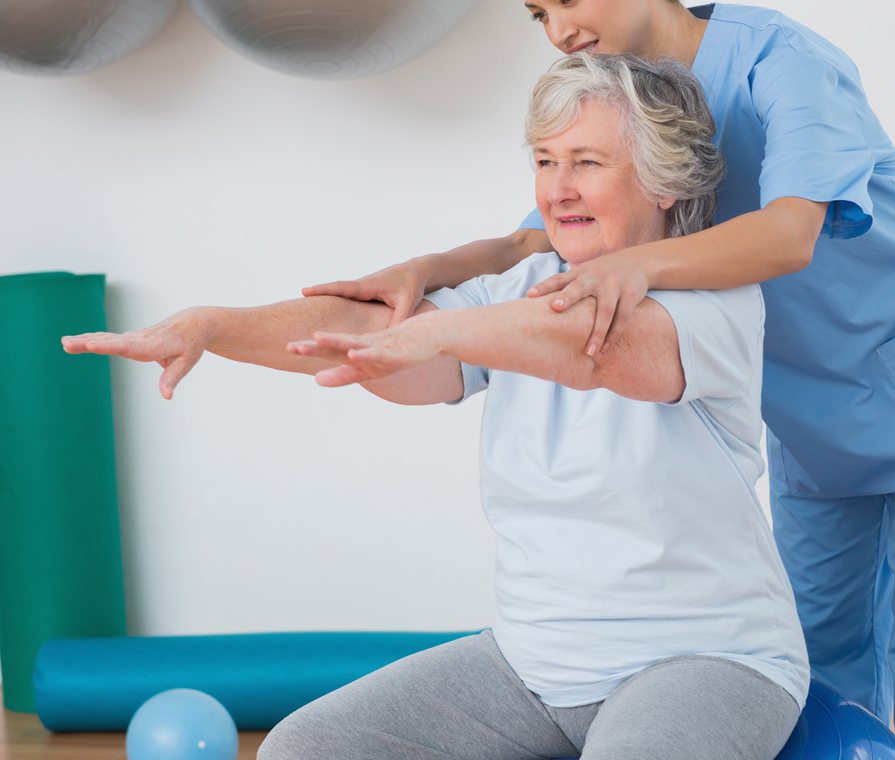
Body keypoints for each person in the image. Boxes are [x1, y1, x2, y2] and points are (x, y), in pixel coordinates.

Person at [302, 3, 895, 759]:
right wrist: (428, 269)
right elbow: (533, 236)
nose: (556, 31)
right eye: (538, 12)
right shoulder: (631, 95)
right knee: (823, 652)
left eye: (567, 1)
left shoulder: (781, 63)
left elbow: (791, 232)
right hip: (808, 402)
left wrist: (637, 264)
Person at [65, 53, 809, 760]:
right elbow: (368, 333)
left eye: (586, 162)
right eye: (545, 162)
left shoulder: (716, 298)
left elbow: (598, 351)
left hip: (706, 658)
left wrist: (437, 330)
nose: (557, 189)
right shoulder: (514, 290)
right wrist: (211, 325)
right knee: (304, 746)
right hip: (532, 666)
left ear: (662, 181)